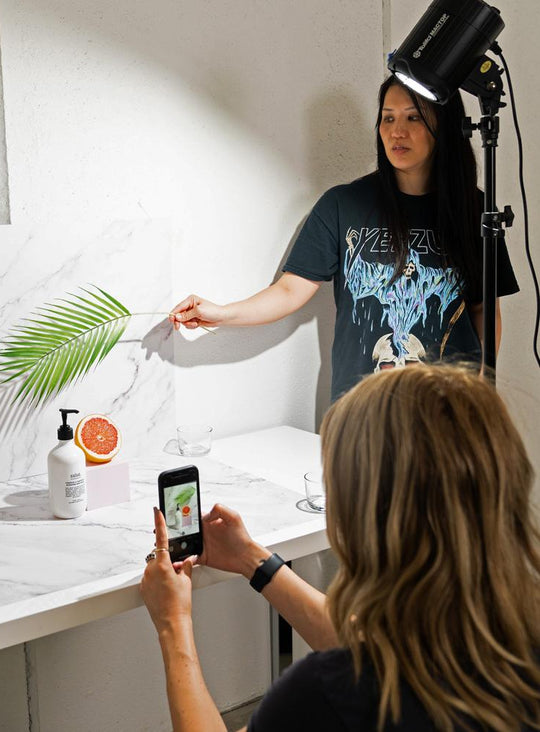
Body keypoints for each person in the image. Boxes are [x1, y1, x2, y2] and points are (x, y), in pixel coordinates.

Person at [140, 364, 540, 731]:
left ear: (365, 516)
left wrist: (173, 623)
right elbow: (373, 652)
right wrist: (252, 559)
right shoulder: (512, 643)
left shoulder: (324, 694)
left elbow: (359, 670)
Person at [169, 77, 519, 399]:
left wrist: (480, 389)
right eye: (388, 118)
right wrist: (221, 313)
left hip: (449, 409)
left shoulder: (474, 210)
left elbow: (484, 310)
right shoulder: (343, 205)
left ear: (443, 126)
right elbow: (290, 291)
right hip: (360, 412)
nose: (396, 131)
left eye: (413, 118)